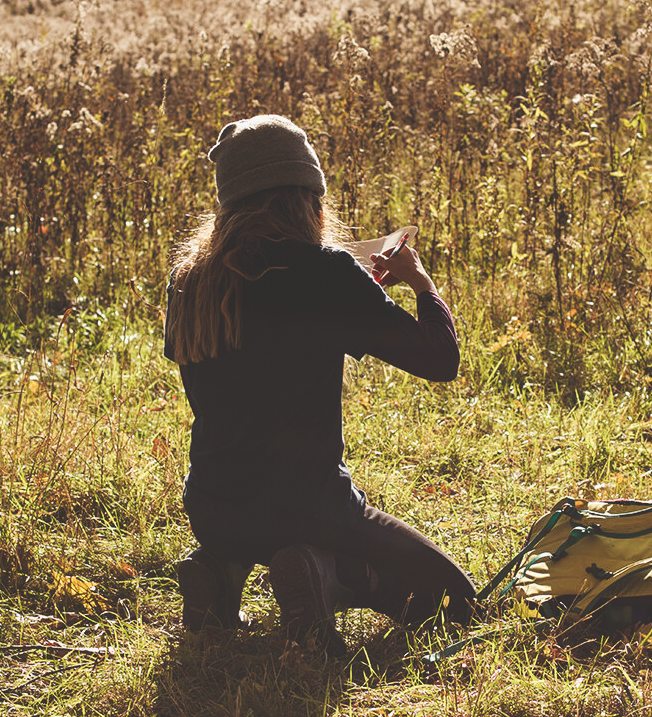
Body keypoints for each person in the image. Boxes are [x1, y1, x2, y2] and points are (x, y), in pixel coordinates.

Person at [164, 114, 476, 655]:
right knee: (457, 600)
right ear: (308, 197)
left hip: (213, 506)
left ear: (230, 201)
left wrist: (352, 299)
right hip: (308, 507)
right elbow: (440, 360)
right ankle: (329, 576)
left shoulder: (190, 279)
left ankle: (219, 570)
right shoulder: (327, 274)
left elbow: (260, 334)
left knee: (243, 527)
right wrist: (418, 283)